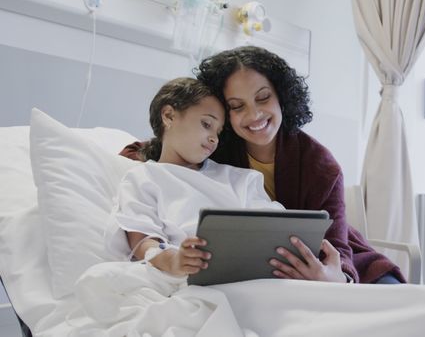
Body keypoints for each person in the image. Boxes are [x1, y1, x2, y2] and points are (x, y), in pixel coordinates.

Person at [196, 46, 404, 284]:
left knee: (388, 288)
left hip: (324, 254)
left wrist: (336, 276)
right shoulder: (212, 150)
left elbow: (336, 244)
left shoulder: (321, 165)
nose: (254, 114)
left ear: (282, 96)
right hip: (251, 263)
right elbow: (171, 149)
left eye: (263, 98)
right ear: (222, 111)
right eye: (237, 106)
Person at [107, 78, 315, 278]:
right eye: (207, 124)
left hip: (254, 275)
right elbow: (143, 242)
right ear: (169, 116)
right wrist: (174, 260)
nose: (214, 138)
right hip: (188, 275)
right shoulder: (144, 177)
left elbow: (280, 228)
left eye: (219, 131)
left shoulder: (239, 179)